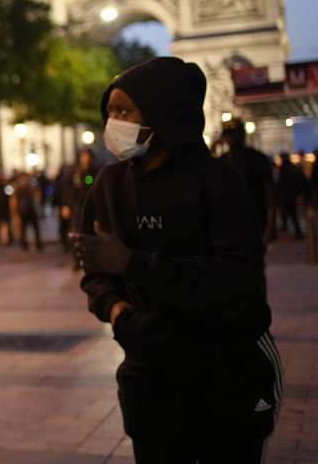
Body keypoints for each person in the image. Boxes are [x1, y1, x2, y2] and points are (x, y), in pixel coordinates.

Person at [71, 57, 282, 463]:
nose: (112, 122)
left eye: (124, 111)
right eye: (110, 111)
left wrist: (134, 264)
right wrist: (118, 314)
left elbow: (238, 276)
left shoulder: (218, 179)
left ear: (163, 113)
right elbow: (96, 270)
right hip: (149, 373)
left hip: (228, 369)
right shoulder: (110, 185)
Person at [219, 118, 277, 245]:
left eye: (234, 132)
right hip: (231, 221)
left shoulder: (256, 158)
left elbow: (270, 192)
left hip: (254, 219)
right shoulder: (223, 160)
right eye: (228, 133)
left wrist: (271, 224)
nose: (231, 137)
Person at [275, 151, 306, 239]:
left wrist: (277, 192)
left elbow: (281, 182)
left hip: (287, 194)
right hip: (291, 193)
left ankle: (297, 231)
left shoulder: (285, 169)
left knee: (291, 213)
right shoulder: (293, 167)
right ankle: (293, 229)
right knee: (290, 213)